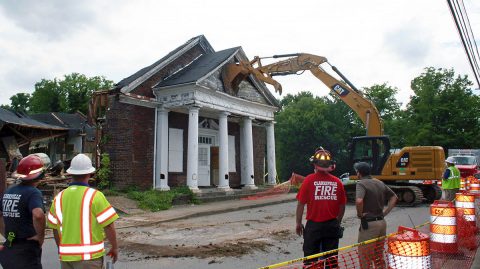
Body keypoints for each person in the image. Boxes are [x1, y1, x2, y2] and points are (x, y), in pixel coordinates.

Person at [47, 153, 119, 269]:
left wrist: (62, 249)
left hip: (66, 259)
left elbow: (54, 228)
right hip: (89, 259)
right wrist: (114, 247)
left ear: (70, 173)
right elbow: (109, 225)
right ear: (90, 173)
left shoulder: (59, 197)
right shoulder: (95, 196)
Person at [296, 147, 346, 269]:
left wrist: (298, 223)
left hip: (314, 227)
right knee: (331, 260)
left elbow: (301, 204)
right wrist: (337, 222)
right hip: (331, 225)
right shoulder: (337, 182)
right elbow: (342, 206)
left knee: (311, 260)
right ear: (331, 164)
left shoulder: (308, 180)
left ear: (314, 164)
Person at [0, 155, 46, 269]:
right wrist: (40, 237)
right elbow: (38, 215)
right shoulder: (33, 193)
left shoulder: (9, 191)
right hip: (26, 250)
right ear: (39, 175)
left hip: (10, 249)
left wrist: (5, 232)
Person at [355, 162, 397, 269]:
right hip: (382, 223)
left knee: (365, 256)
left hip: (369, 225)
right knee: (378, 255)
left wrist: (360, 214)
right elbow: (394, 197)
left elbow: (359, 201)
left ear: (359, 173)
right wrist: (385, 213)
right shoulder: (379, 183)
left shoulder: (361, 184)